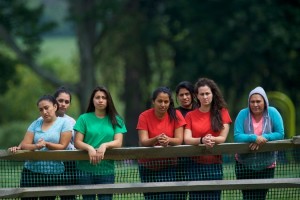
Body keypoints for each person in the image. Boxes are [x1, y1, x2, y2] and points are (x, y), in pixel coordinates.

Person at [74, 86, 127, 200]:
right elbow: (77, 142)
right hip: (85, 169)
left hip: (106, 169)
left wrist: (105, 145)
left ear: (108, 101)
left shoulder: (117, 119)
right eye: (97, 97)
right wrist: (89, 148)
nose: (100, 100)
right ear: (92, 100)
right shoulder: (83, 118)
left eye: (104, 97)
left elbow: (118, 142)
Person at [184, 77, 232, 200]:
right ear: (197, 96)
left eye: (207, 93)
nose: (205, 97)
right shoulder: (190, 115)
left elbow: (222, 138)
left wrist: (211, 139)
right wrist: (202, 140)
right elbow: (187, 139)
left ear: (212, 94)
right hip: (194, 165)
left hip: (215, 164)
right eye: (202, 94)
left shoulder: (223, 112)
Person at [234, 86, 284, 200]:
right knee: (247, 197)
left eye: (258, 101)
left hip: (267, 164)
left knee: (261, 196)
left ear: (265, 102)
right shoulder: (242, 114)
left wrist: (264, 138)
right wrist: (254, 138)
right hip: (244, 164)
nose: (255, 104)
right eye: (252, 101)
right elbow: (237, 136)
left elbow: (280, 133)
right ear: (248, 102)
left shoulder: (273, 112)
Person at [137, 86, 186, 200]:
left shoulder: (176, 114)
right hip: (147, 166)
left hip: (169, 165)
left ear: (170, 102)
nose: (163, 105)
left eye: (166, 101)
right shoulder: (144, 116)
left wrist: (168, 140)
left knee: (167, 196)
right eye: (160, 101)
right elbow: (143, 141)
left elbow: (179, 140)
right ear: (153, 101)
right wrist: (156, 139)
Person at [20, 94, 73, 200]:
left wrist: (46, 144)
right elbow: (24, 144)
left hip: (53, 173)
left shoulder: (64, 123)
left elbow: (63, 145)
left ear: (55, 106)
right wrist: (36, 146)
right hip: (30, 172)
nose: (44, 112)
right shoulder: (35, 124)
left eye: (46, 108)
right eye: (41, 109)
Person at [175, 81, 198, 200]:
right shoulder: (174, 113)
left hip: (198, 157)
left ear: (193, 94)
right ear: (177, 97)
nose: (185, 97)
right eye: (181, 95)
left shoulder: (201, 110)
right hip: (179, 160)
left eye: (187, 94)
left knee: (197, 192)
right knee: (180, 193)